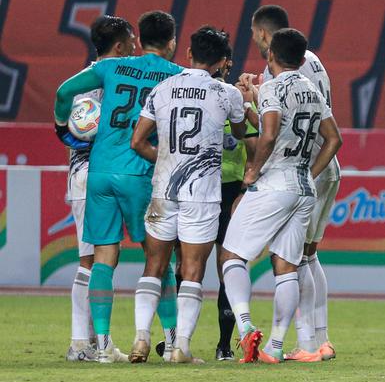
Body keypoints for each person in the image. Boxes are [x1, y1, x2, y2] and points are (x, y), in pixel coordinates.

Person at [52, 11, 184, 363]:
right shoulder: (175, 76)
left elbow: (64, 91)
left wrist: (62, 127)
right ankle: (172, 342)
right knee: (159, 258)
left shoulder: (110, 68)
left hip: (100, 172)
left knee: (103, 258)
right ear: (171, 42)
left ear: (139, 40)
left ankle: (103, 344)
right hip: (139, 172)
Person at [219, 28, 342, 364]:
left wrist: (250, 175)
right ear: (302, 59)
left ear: (270, 55)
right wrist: (309, 173)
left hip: (274, 183)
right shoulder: (312, 90)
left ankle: (245, 330)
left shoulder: (272, 87)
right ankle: (274, 346)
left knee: (231, 255)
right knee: (287, 266)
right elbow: (334, 140)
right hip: (303, 188)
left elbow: (270, 134)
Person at [130, 27, 250, 364]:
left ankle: (141, 338)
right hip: (203, 194)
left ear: (188, 54)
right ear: (222, 61)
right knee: (194, 270)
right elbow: (241, 132)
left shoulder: (162, 88)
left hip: (164, 189)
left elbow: (137, 142)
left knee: (154, 265)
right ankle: (180, 347)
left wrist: (166, 161)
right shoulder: (226, 93)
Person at [251, 4, 341, 361]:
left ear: (262, 34)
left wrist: (251, 99)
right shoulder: (312, 59)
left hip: (305, 167)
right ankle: (321, 339)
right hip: (327, 163)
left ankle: (307, 344)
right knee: (308, 254)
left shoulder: (276, 75)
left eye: (254, 34)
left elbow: (275, 128)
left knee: (292, 258)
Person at [64, 16, 137, 362]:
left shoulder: (85, 81)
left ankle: (92, 341)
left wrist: (63, 131)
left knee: (99, 258)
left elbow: (69, 123)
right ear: (119, 47)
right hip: (92, 173)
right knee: (90, 261)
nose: (136, 50)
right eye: (132, 43)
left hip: (91, 173)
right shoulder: (106, 79)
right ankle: (80, 342)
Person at [211, 53, 256, 361]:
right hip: (199, 188)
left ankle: (224, 344)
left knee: (226, 265)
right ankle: (173, 340)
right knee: (188, 266)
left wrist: (244, 188)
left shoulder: (234, 102)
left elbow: (254, 149)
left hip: (229, 190)